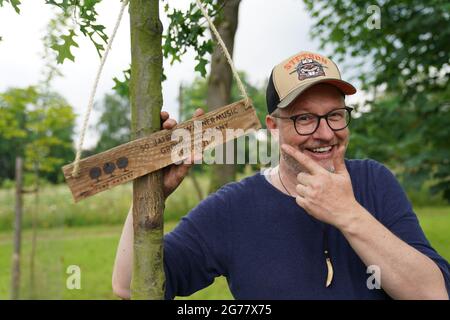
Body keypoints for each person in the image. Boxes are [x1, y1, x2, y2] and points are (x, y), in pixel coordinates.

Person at [112, 51, 450, 300]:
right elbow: (129, 286)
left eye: (335, 115)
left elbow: (433, 293)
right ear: (273, 126)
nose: (325, 133)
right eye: (304, 118)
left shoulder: (374, 183)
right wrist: (148, 194)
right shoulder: (233, 208)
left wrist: (349, 215)